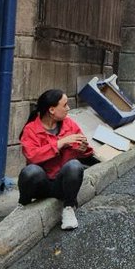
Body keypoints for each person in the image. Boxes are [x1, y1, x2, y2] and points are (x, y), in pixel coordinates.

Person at [19, 89, 93, 230]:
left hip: (62, 185)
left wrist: (83, 149)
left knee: (75, 166)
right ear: (52, 110)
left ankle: (68, 209)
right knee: (30, 171)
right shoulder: (31, 129)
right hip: (41, 184)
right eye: (65, 105)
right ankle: (23, 203)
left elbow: (85, 151)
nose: (68, 108)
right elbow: (32, 156)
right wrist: (60, 143)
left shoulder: (69, 124)